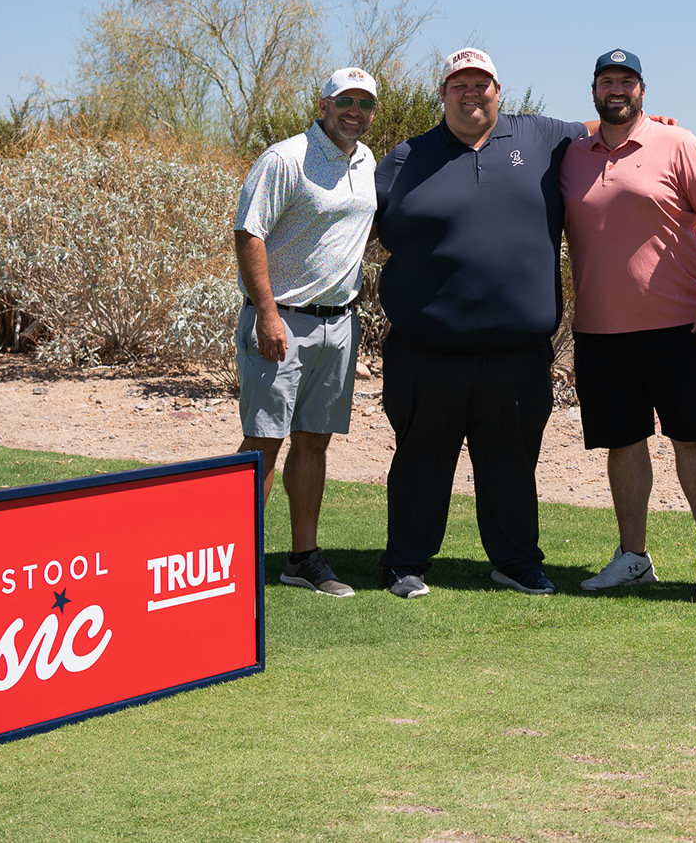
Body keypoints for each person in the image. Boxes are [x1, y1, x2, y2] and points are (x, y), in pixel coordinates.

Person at [372, 47, 593, 599]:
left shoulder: (540, 137)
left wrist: (652, 124)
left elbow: (604, 126)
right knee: (421, 463)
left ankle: (516, 563)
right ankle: (406, 563)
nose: (471, 94)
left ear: (499, 89)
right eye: (459, 85)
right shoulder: (405, 158)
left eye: (482, 84)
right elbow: (356, 225)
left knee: (512, 466)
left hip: (517, 355)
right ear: (442, 93)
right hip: (426, 352)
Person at [559, 50, 696, 600]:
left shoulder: (678, 144)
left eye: (627, 81)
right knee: (623, 443)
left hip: (682, 326)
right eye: (607, 81)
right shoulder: (572, 155)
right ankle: (634, 557)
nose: (617, 89)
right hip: (600, 330)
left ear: (643, 89)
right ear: (594, 89)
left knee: (693, 441)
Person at [232, 66, 381, 598]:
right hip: (282, 321)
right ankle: (233, 560)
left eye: (365, 103)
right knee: (264, 441)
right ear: (322, 105)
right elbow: (248, 235)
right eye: (346, 101)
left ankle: (302, 558)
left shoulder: (366, 162)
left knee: (314, 440)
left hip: (339, 323)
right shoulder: (285, 158)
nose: (355, 111)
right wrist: (267, 314)